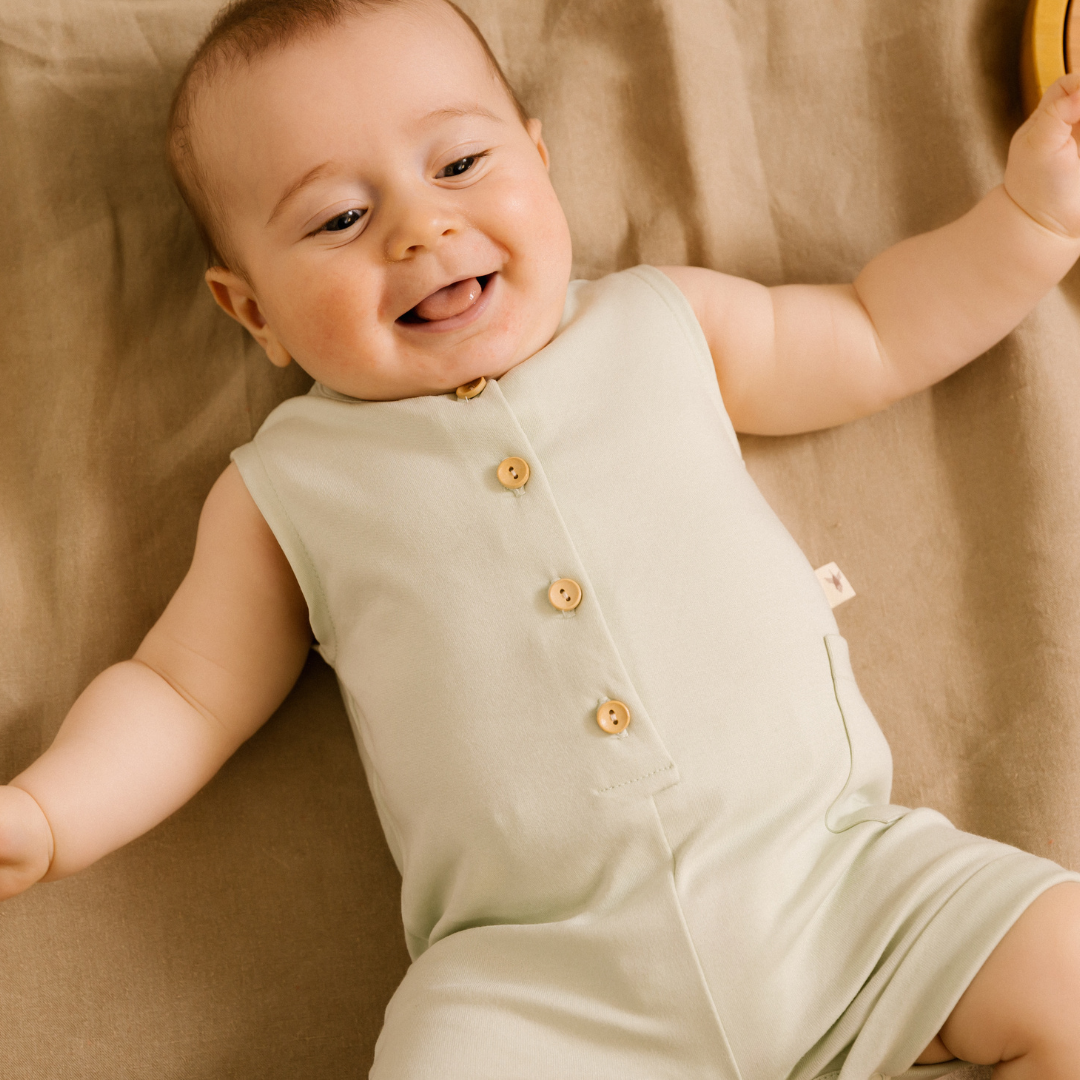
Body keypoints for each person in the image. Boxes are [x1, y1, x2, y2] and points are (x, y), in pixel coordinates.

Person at [2, 0, 1080, 1075]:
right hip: (536, 983)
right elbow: (182, 692)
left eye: (460, 163)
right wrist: (48, 816)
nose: (420, 228)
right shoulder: (284, 488)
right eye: (339, 218)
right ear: (253, 312)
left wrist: (1031, 220)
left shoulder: (662, 323)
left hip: (840, 888)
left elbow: (876, 330)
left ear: (541, 161)